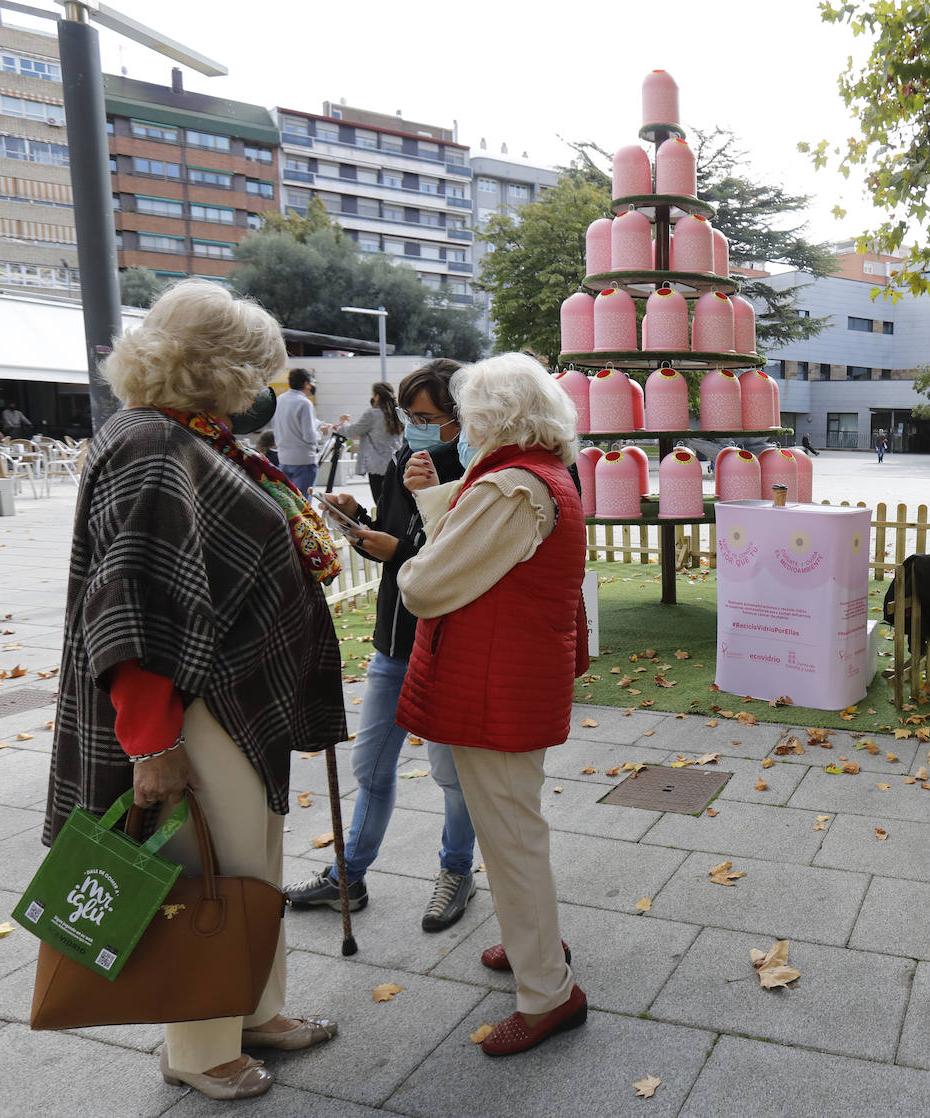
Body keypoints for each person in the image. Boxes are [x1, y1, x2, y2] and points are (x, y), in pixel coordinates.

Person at [42, 280, 346, 1100]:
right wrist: (153, 743)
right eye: (254, 370)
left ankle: (254, 1010)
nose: (260, 388)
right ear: (217, 367)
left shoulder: (185, 435)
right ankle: (200, 1047)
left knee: (252, 861)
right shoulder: (152, 445)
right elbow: (131, 607)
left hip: (231, 701)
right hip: (196, 708)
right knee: (211, 868)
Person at [395, 351, 588, 1057]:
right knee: (512, 830)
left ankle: (548, 994)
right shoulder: (537, 473)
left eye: (468, 413)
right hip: (507, 678)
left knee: (510, 836)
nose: (461, 425)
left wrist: (413, 563)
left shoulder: (511, 486)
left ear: (493, 417)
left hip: (495, 685)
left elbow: (425, 585)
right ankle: (534, 942)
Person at [287, 360, 480, 935]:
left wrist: (399, 547)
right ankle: (348, 875)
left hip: (447, 648)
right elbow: (394, 538)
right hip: (393, 643)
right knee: (370, 765)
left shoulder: (478, 471)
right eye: (407, 414)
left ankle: (456, 870)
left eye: (426, 417)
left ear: (461, 417)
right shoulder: (402, 462)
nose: (413, 427)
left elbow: (455, 562)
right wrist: (358, 521)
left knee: (452, 776)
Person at [336, 381, 405, 509]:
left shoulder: (372, 414)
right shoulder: (398, 413)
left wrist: (342, 424)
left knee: (379, 501)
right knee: (392, 501)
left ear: (377, 396)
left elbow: (353, 430)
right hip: (394, 462)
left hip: (376, 465)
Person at [275, 368, 321, 495]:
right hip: (304, 460)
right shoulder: (305, 403)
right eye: (312, 382)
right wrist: (320, 433)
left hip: (283, 459)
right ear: (306, 383)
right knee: (303, 501)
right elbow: (309, 436)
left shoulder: (279, 400)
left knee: (288, 500)